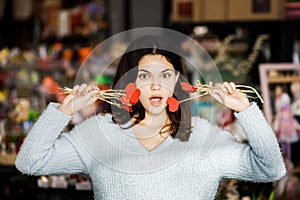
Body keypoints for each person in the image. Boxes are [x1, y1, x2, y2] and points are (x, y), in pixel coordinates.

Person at [15, 35, 286, 199]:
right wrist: (64, 111)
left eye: (165, 75)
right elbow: (31, 162)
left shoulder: (204, 136)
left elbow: (271, 169)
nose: (156, 85)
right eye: (144, 75)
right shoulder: (100, 132)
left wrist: (246, 111)